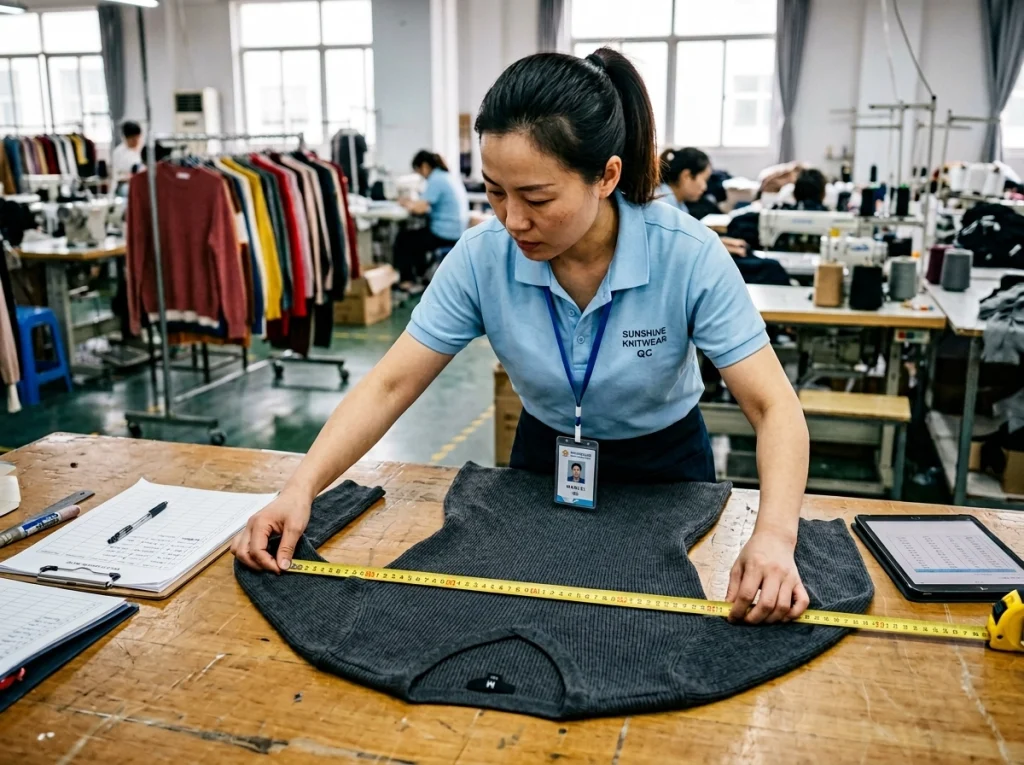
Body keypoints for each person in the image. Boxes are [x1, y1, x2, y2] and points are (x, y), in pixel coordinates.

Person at [233, 48, 811, 626]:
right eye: (494, 192)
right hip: (543, 465)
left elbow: (773, 406)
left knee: (659, 632)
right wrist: (299, 489)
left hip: (667, 470)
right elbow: (389, 385)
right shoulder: (483, 257)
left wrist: (774, 536)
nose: (512, 220)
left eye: (537, 198)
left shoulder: (686, 254)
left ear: (606, 177)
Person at [394, 150, 470, 290]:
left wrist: (405, 203)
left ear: (424, 166)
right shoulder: (446, 176)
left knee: (404, 239)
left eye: (419, 171)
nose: (421, 176)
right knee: (417, 237)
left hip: (445, 233)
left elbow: (420, 208)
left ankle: (407, 281)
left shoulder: (436, 179)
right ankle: (420, 274)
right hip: (457, 230)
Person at [111, 121, 143, 187]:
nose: (136, 141)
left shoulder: (142, 149)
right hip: (125, 184)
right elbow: (117, 175)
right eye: (133, 139)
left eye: (138, 138)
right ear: (126, 138)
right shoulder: (118, 152)